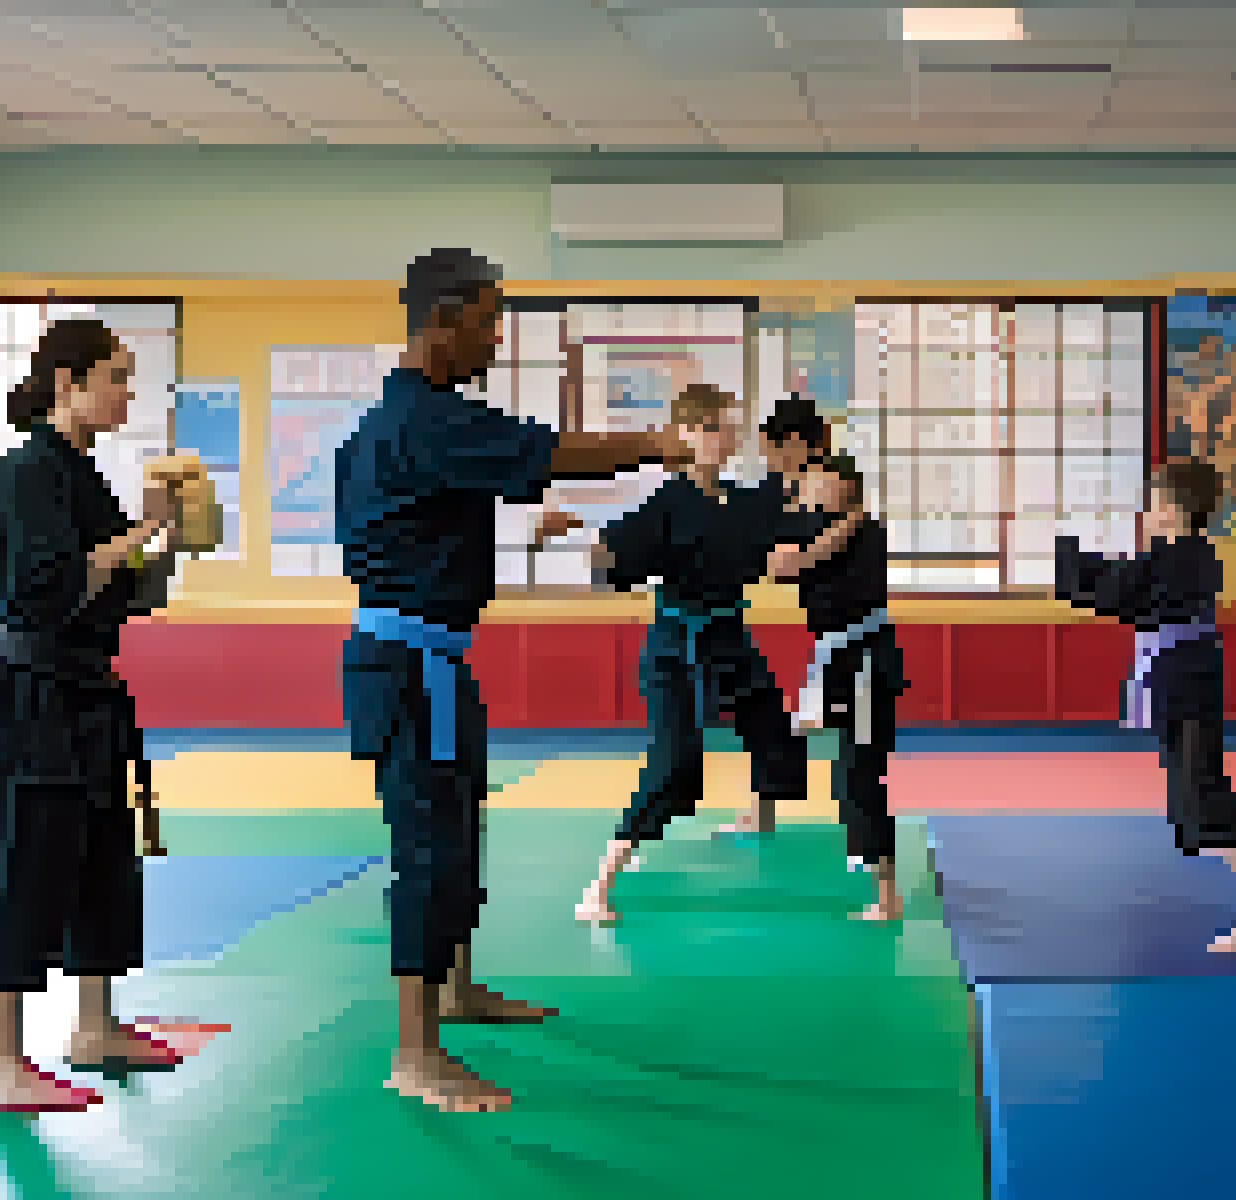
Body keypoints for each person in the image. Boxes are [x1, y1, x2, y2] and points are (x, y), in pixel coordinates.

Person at [337, 249, 686, 1114]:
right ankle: (415, 1056)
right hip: (408, 667)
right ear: (444, 319)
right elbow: (555, 450)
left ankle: (455, 988)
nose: (497, 338)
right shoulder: (423, 417)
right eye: (490, 321)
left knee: (457, 831)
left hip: (429, 661)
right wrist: (654, 443)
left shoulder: (403, 425)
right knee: (425, 847)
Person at [0, 319, 188, 1114]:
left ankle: (94, 1027)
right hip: (34, 692)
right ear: (68, 381)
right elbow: (54, 582)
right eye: (117, 377)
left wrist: (167, 544)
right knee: (26, 863)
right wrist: (147, 529)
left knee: (102, 858)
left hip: (87, 688)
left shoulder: (82, 474)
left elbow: (123, 588)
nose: (128, 392)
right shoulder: (28, 471)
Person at [566, 384, 809, 925]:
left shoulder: (744, 502)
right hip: (678, 649)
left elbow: (780, 509)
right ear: (689, 436)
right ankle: (600, 884)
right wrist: (585, 538)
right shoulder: (665, 505)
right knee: (675, 762)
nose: (729, 438)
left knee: (775, 731)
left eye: (731, 428)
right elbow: (616, 559)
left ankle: (759, 815)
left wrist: (797, 460)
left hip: (732, 640)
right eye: (719, 428)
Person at [1056, 461, 1236, 953]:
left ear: (1176, 508)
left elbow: (1115, 592)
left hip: (1183, 676)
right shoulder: (1182, 554)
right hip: (1184, 673)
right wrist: (1074, 558)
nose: (1147, 511)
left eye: (1155, 501)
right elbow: (1121, 582)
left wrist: (1064, 554)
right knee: (1197, 786)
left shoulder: (1177, 557)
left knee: (1202, 788)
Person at [754, 394, 906, 922]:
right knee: (784, 733)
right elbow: (779, 564)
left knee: (860, 772)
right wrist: (836, 529)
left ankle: (887, 893)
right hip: (837, 659)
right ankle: (760, 807)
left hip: (865, 660)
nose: (808, 493)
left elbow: (791, 562)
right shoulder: (820, 521)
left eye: (821, 488)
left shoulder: (867, 530)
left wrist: (842, 528)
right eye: (808, 489)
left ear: (845, 488)